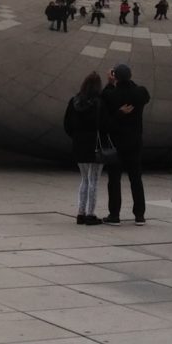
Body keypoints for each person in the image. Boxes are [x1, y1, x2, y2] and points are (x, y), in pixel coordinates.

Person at [99, 63, 150, 225]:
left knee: (114, 179)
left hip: (116, 142)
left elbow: (105, 97)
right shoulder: (140, 93)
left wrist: (110, 82)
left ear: (115, 76)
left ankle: (114, 214)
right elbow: (142, 94)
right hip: (134, 141)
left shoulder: (110, 95)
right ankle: (139, 215)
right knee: (136, 178)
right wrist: (127, 81)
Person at [63, 71, 105, 225]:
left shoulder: (74, 101)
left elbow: (67, 124)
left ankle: (80, 213)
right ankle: (90, 214)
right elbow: (104, 124)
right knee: (94, 180)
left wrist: (76, 137)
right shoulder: (99, 103)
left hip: (79, 145)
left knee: (84, 180)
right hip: (94, 146)